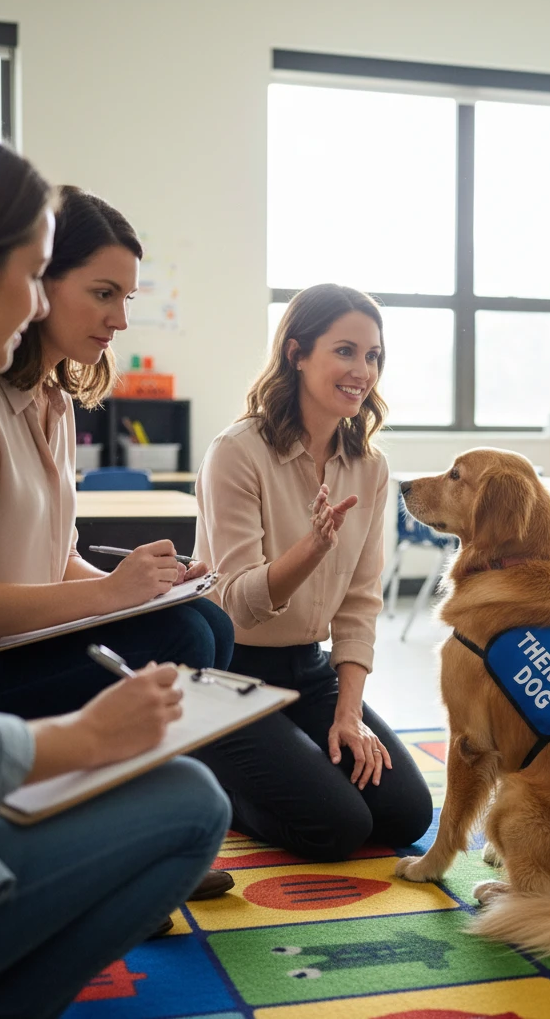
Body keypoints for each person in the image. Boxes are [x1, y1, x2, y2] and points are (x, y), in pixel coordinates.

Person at [0, 123, 230, 1019]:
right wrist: (88, 733)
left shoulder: (48, 402)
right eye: (35, 277)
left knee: (200, 622)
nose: (33, 306)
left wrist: (126, 583)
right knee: (188, 660)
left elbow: (46, 551)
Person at [193, 283, 432, 860]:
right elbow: (236, 601)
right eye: (345, 351)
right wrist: (311, 549)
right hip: (230, 676)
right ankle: (209, 767)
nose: (363, 370)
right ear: (297, 353)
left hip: (309, 670)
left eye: (373, 355)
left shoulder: (369, 467)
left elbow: (359, 604)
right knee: (338, 828)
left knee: (403, 814)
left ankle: (282, 756)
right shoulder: (237, 451)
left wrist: (348, 714)